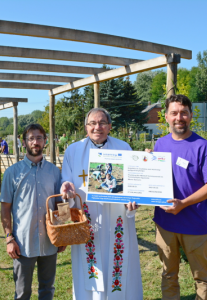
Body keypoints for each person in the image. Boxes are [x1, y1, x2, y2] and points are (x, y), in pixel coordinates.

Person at [60, 108, 143, 299]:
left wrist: (134, 201)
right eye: (92, 123)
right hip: (88, 219)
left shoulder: (123, 148)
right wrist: (66, 189)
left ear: (110, 126)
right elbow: (65, 181)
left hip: (118, 217)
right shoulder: (73, 150)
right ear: (86, 127)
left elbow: (134, 183)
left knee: (119, 264)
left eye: (102, 123)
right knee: (89, 266)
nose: (98, 127)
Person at [152, 95, 207, 300]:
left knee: (202, 278)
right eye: (174, 113)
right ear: (166, 117)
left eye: (183, 113)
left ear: (191, 115)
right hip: (165, 224)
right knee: (168, 275)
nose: (179, 117)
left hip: (194, 224)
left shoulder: (202, 146)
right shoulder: (160, 144)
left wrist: (183, 204)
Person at [0, 124, 65, 300]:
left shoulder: (54, 172)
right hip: (22, 243)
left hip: (49, 241)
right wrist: (9, 238)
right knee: (22, 293)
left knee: (47, 289)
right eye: (31, 138)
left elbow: (59, 204)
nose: (35, 142)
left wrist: (62, 235)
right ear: (24, 142)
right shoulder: (12, 173)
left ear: (45, 141)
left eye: (39, 138)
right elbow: (5, 207)